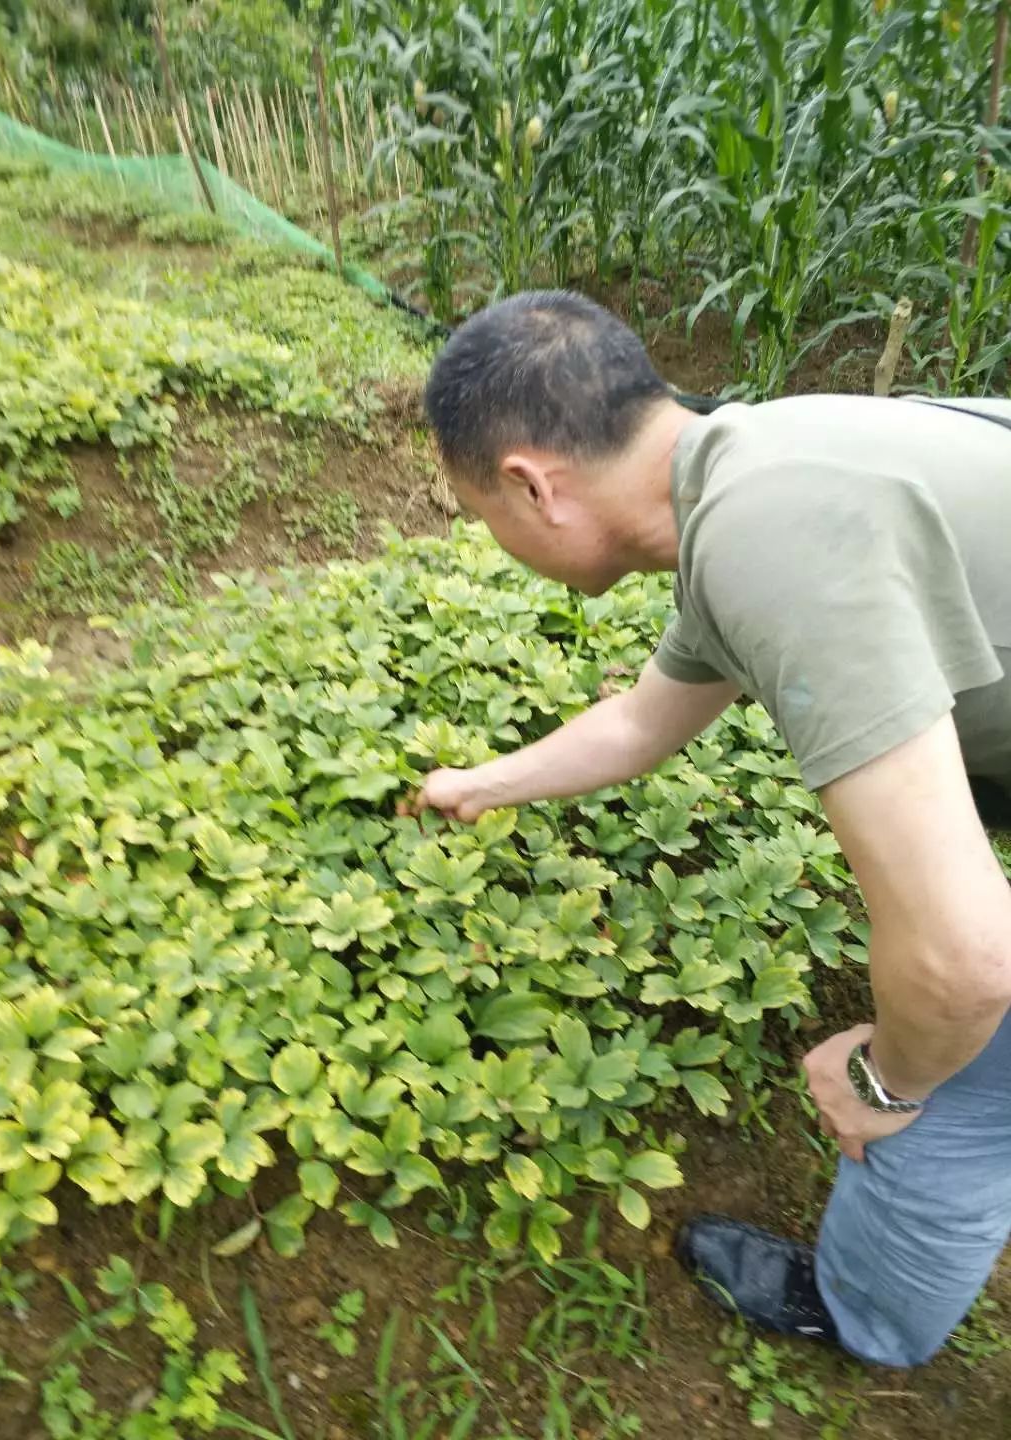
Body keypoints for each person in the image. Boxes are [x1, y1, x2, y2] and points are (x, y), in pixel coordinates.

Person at [410, 289, 1011, 1370]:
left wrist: (889, 1080)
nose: (492, 540)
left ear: (529, 484)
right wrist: (483, 783)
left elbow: (968, 961)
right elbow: (647, 716)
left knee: (964, 1085)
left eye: (477, 517)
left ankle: (869, 1319)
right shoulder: (751, 469)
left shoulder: (767, 538)